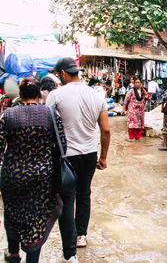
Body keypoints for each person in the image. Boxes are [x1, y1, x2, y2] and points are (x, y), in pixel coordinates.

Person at [46, 57, 110, 263]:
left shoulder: (55, 95)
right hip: (90, 154)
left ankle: (70, 246)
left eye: (58, 74)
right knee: (84, 194)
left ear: (63, 74)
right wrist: (104, 156)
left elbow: (49, 130)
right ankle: (82, 235)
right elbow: (106, 130)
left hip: (66, 156)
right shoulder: (97, 95)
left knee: (66, 199)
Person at [0, 78, 64, 263]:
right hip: (42, 178)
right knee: (36, 218)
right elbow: (62, 147)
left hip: (12, 176)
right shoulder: (51, 114)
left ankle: (13, 254)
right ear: (39, 94)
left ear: (20, 95)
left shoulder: (8, 115)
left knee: (12, 213)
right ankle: (32, 259)